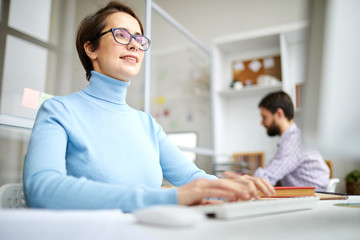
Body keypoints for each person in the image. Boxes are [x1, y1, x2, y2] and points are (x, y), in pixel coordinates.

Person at [23, 1, 274, 212]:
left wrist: (233, 187)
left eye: (139, 39)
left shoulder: (147, 124)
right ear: (91, 48)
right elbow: (41, 188)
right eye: (121, 35)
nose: (134, 44)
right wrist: (168, 197)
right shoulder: (58, 111)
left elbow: (191, 178)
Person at [254, 91, 330, 191]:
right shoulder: (294, 137)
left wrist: (239, 181)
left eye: (264, 117)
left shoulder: (293, 141)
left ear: (279, 114)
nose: (262, 123)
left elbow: (266, 179)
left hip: (312, 197)